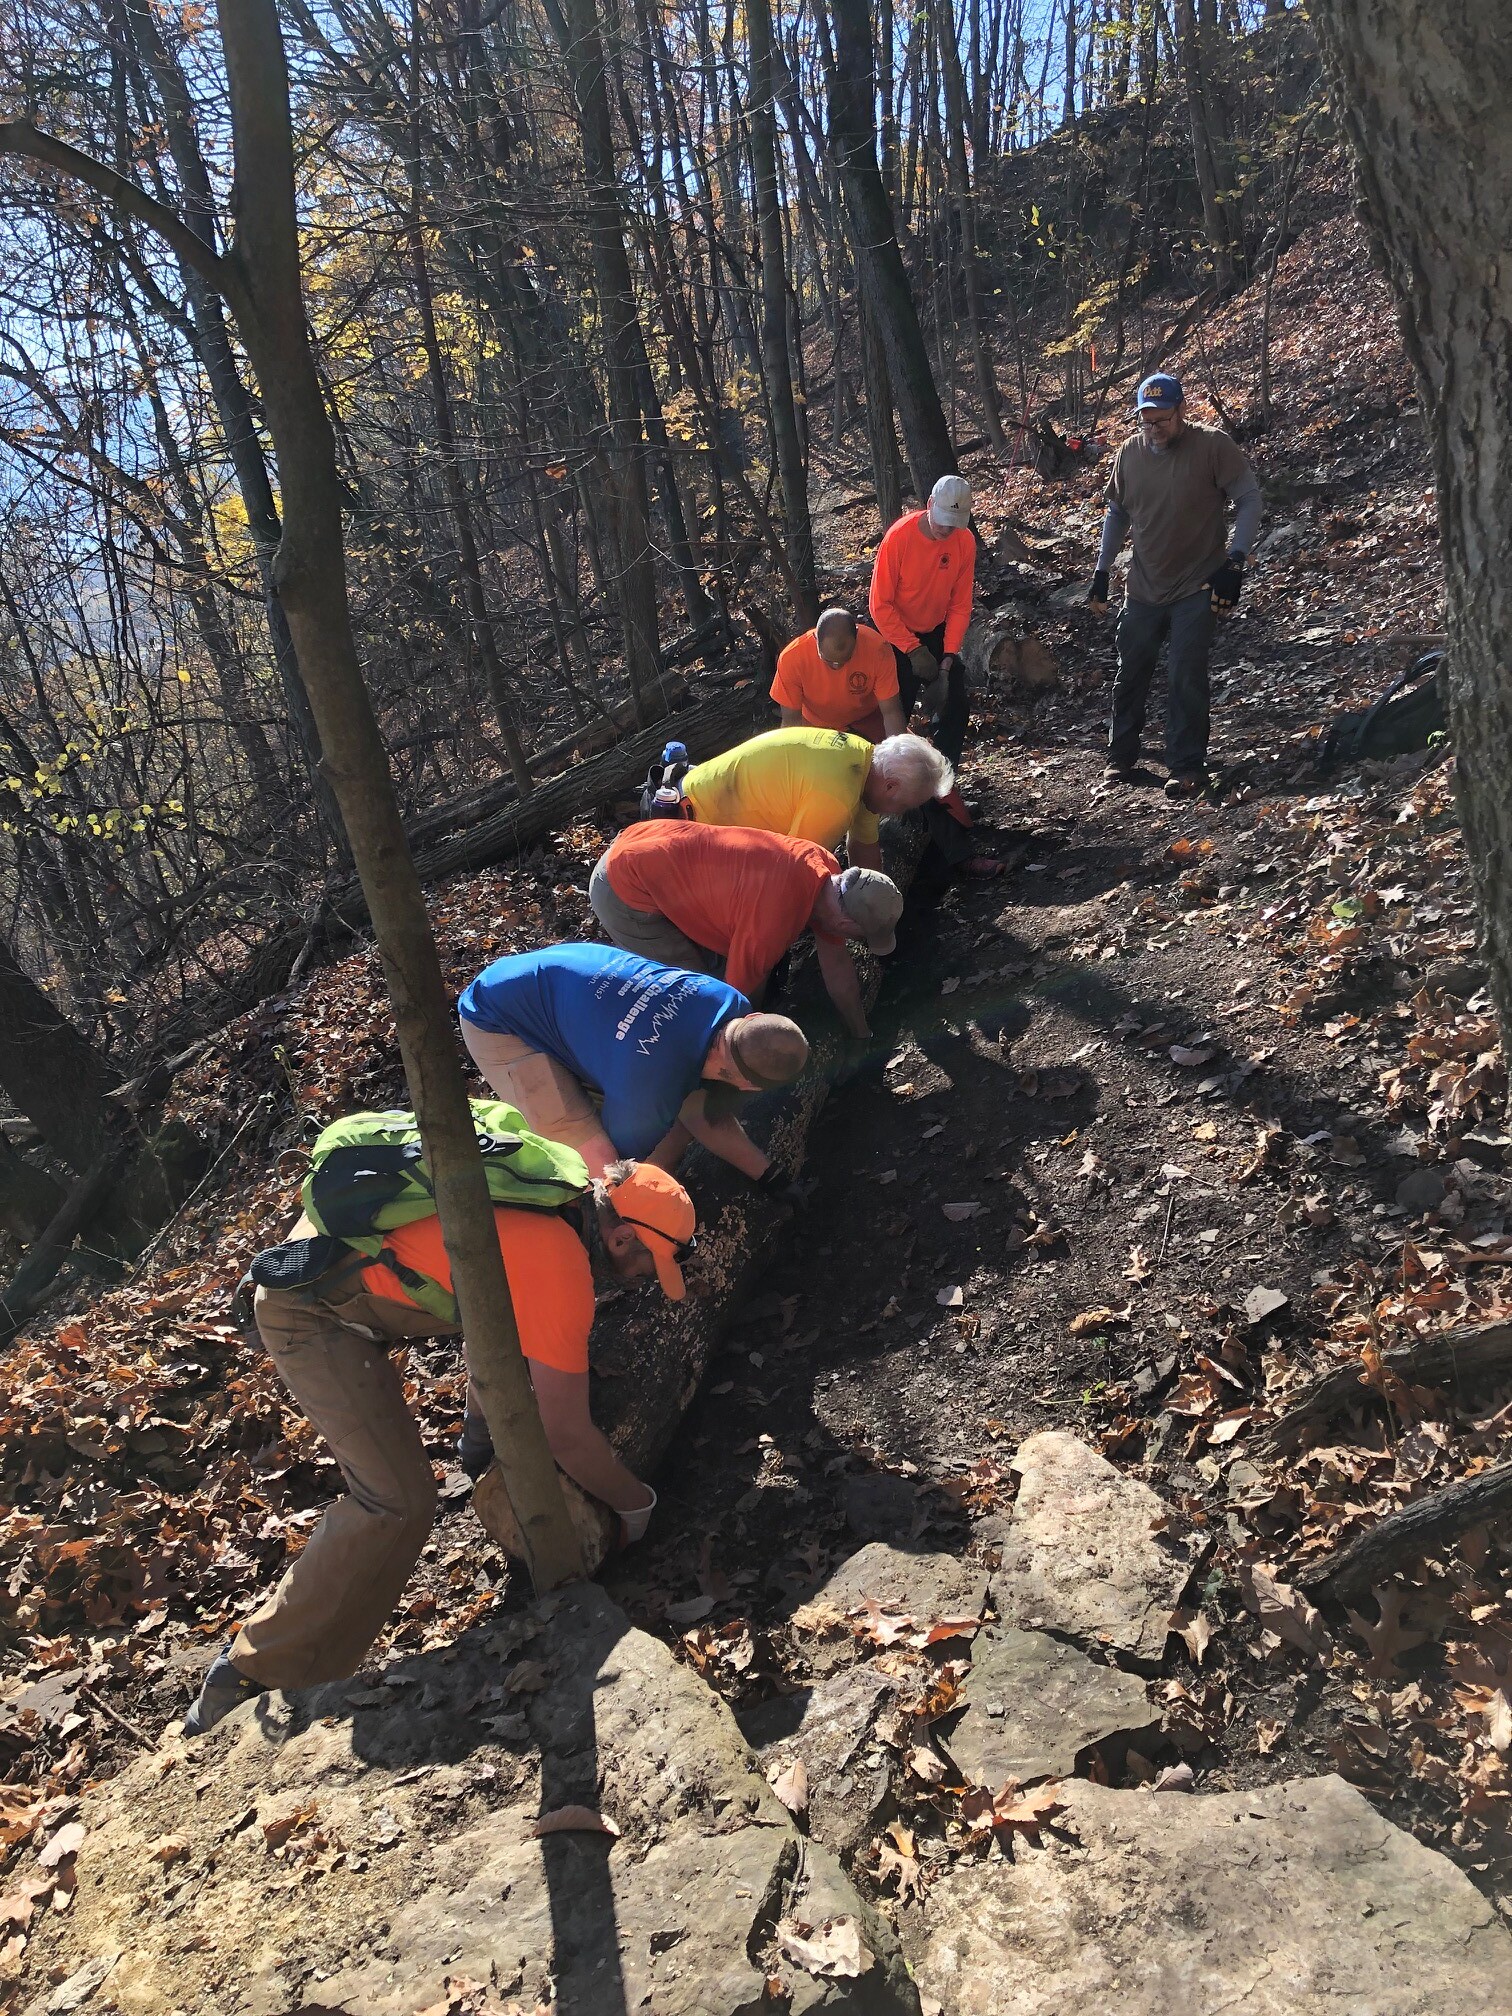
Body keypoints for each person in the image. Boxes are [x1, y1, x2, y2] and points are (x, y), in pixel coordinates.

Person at [184, 1153, 695, 1733]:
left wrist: (483, 1444)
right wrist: (635, 1505)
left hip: (338, 1253)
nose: (644, 1282)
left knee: (411, 1485)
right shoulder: (560, 1262)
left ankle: (475, 1447)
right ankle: (250, 1673)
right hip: (312, 1304)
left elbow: (492, 1315)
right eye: (648, 1267)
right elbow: (567, 1432)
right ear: (624, 1237)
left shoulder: (557, 1178)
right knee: (397, 1502)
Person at [457, 943, 809, 1189]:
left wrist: (769, 1175)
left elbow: (701, 1111)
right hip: (499, 1016)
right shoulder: (651, 1082)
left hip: (564, 973)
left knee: (674, 1109)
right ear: (749, 1086)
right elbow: (626, 1164)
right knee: (600, 1162)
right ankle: (617, 1245)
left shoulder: (728, 1000)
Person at [1088, 372, 1262, 799]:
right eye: (1146, 420)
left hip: (1198, 585)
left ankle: (1186, 765)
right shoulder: (1129, 453)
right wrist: (1101, 571)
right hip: (1144, 587)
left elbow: (1250, 498)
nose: (1154, 428)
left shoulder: (1212, 446)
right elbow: (1117, 514)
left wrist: (1235, 561)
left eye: (1162, 419)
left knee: (1185, 673)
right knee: (1131, 671)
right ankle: (1121, 755)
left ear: (1180, 412)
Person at [590, 821, 904, 1039]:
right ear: (847, 925)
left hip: (649, 841)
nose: (853, 941)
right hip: (624, 884)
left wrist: (860, 1034)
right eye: (860, 937)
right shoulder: (772, 922)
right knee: (694, 991)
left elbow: (837, 964)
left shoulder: (826, 869)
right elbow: (735, 1000)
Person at [869, 474, 997, 878]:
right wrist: (913, 651)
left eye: (954, 523)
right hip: (896, 635)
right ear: (929, 504)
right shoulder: (900, 538)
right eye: (941, 520)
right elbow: (879, 605)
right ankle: (908, 797)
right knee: (898, 731)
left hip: (939, 633)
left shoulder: (963, 540)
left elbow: (960, 604)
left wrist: (945, 661)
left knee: (955, 708)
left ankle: (941, 785)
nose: (945, 530)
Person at [675, 725, 952, 873]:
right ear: (891, 787)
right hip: (690, 827)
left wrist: (878, 906)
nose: (895, 814)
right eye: (903, 806)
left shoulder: (865, 763)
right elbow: (790, 871)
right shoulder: (836, 798)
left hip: (700, 799)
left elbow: (864, 852)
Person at [771, 606, 905, 742]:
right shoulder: (792, 658)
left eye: (846, 659)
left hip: (867, 718)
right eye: (828, 660)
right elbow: (791, 723)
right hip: (816, 725)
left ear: (856, 635)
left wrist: (896, 753)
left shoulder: (878, 649)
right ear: (815, 638)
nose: (837, 666)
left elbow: (891, 711)